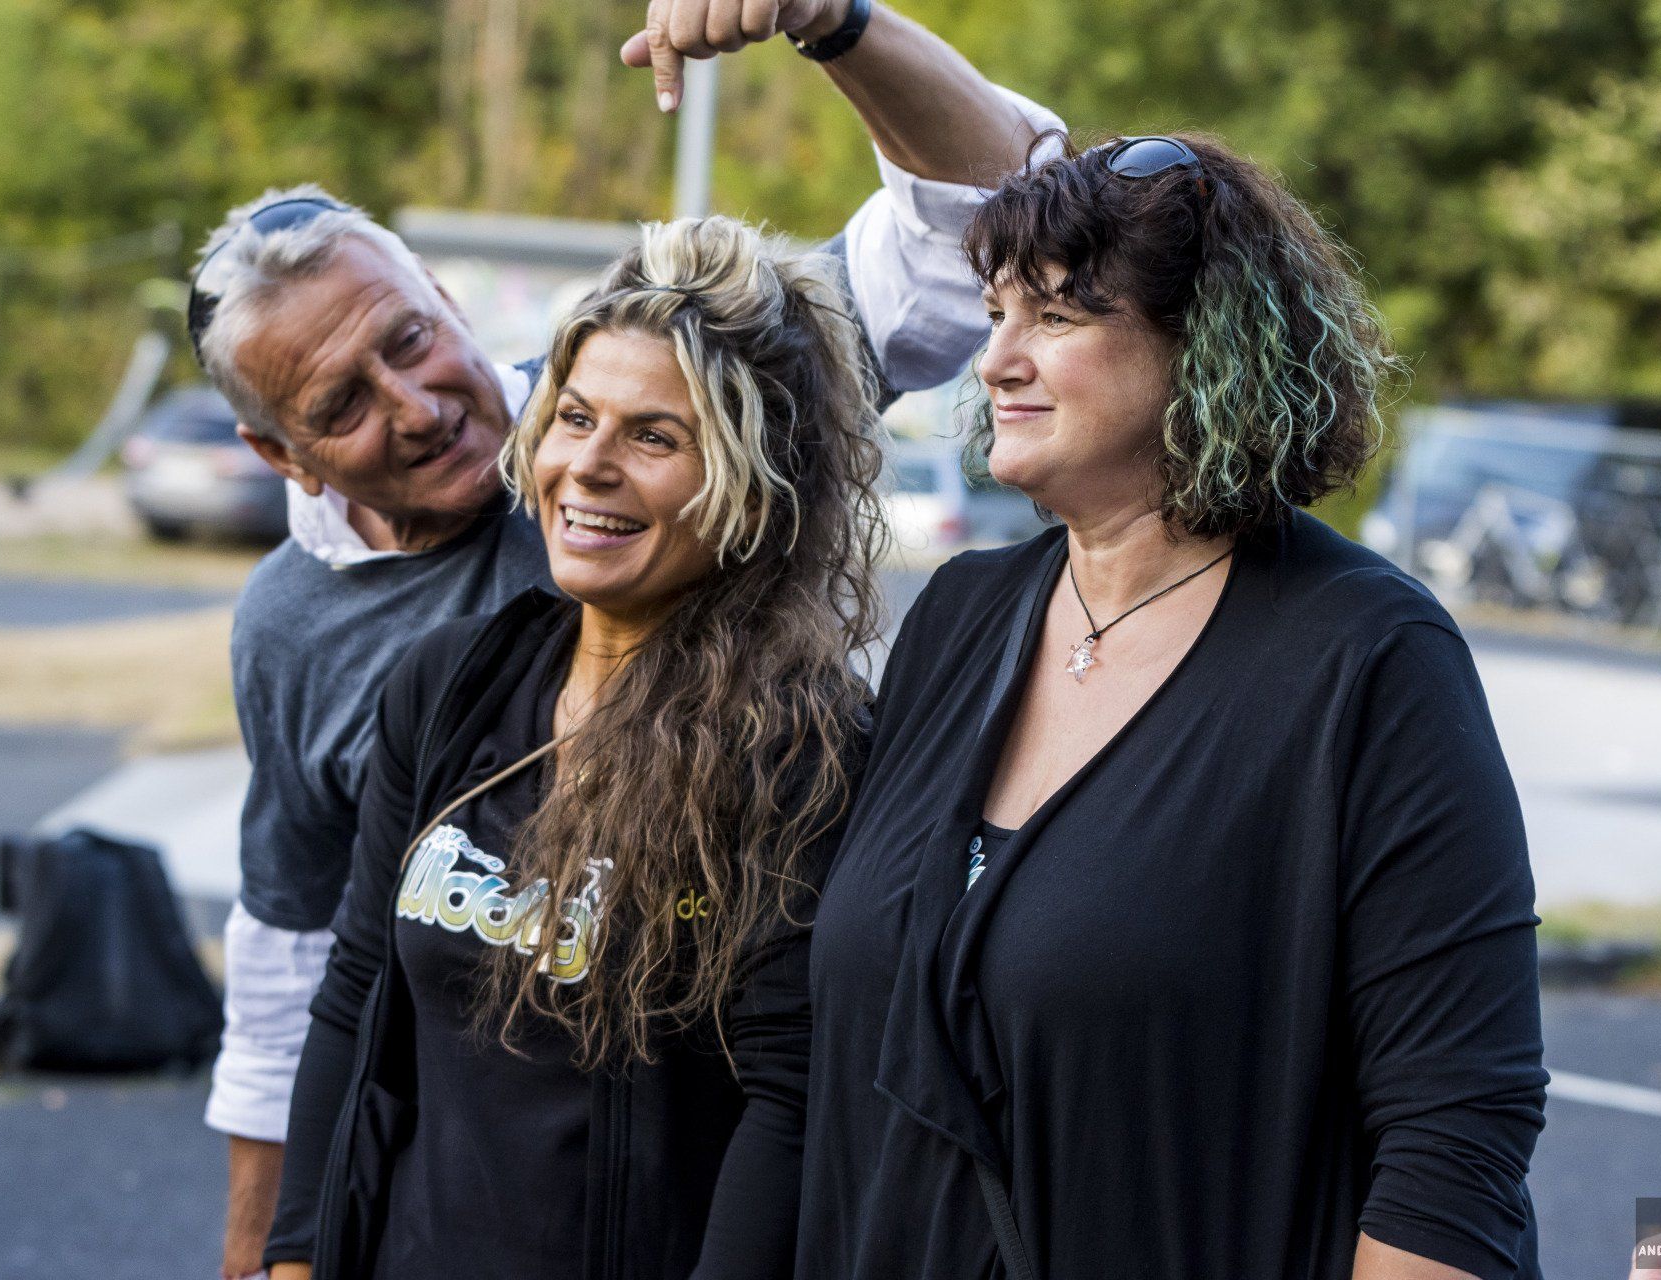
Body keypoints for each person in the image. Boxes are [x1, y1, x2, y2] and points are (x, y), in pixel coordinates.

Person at [192, 3, 1061, 1275]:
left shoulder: (692, 359)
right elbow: (311, 961)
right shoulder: (335, 642)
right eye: (342, 402)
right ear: (282, 455)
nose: (420, 404)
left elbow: (987, 219)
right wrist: (274, 1247)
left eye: (411, 338)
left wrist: (833, 21)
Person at [796, 134, 1549, 1280]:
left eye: (1055, 316)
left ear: (1208, 346)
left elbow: (1457, 1132)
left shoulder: (1366, 657)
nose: (996, 360)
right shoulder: (960, 613)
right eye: (995, 314)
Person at [264, 214, 875, 1279]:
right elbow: (357, 986)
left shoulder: (797, 750)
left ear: (753, 481)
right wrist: (297, 1257)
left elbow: (792, 1102)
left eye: (655, 437)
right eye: (575, 417)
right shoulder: (451, 686)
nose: (587, 467)